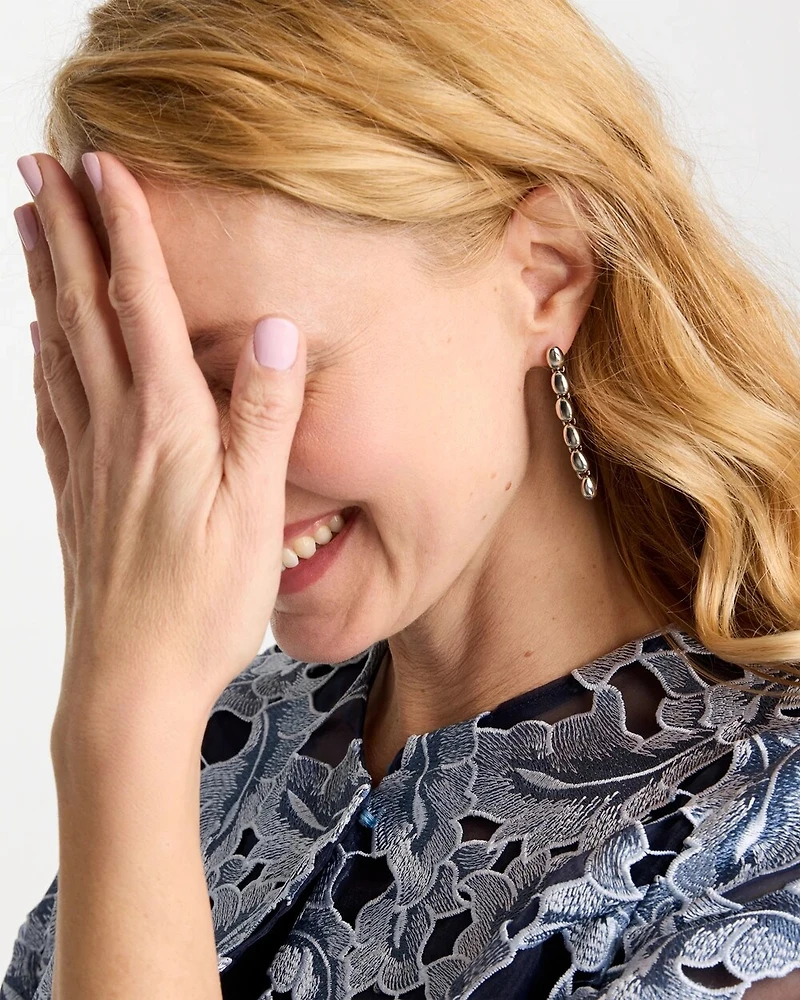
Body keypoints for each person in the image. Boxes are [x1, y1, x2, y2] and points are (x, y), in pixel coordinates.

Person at [3, 0, 800, 997]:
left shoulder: (756, 857)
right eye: (133, 387)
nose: (176, 476)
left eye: (250, 377)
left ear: (544, 274)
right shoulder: (225, 740)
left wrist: (118, 724)